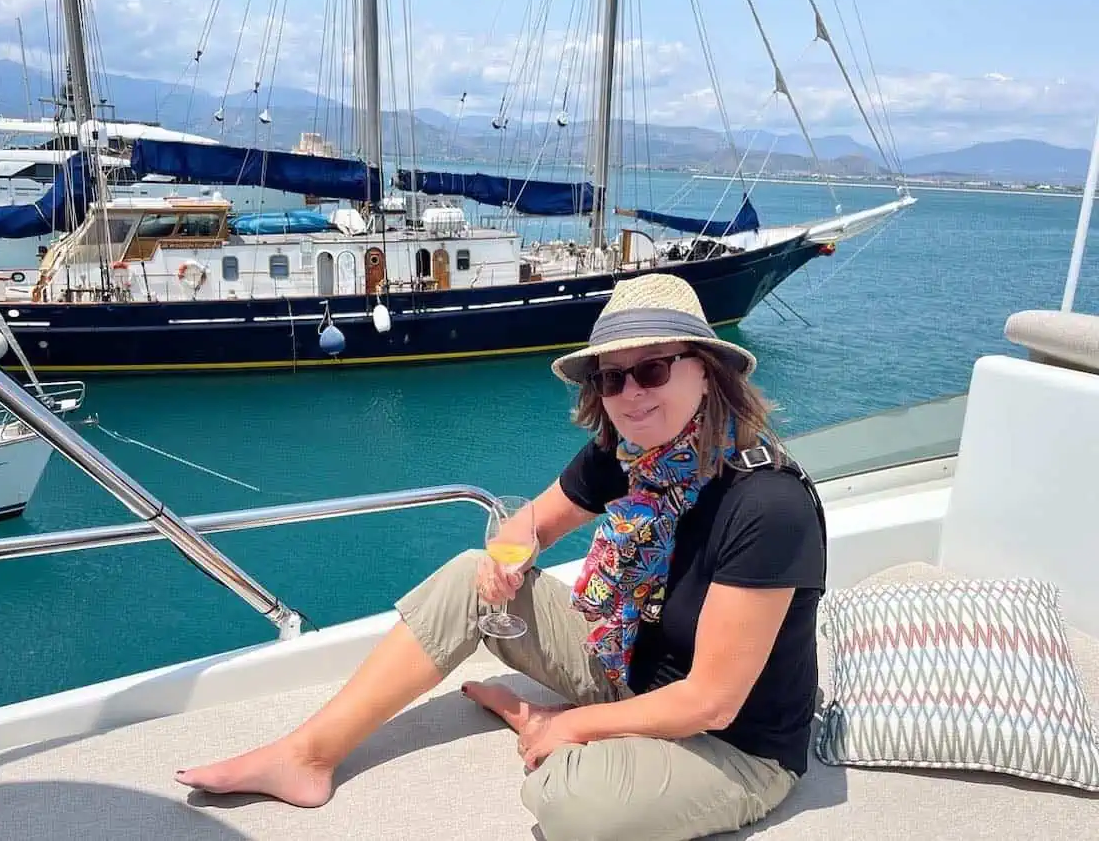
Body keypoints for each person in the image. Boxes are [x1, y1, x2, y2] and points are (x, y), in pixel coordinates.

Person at [175, 272, 827, 841]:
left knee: (575, 807)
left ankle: (557, 720)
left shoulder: (766, 504)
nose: (632, 392)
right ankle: (307, 754)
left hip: (733, 745)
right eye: (612, 377)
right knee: (470, 577)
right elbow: (532, 522)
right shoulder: (630, 458)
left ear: (706, 372)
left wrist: (573, 728)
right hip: (633, 666)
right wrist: (507, 557)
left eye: (654, 367)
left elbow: (711, 702)